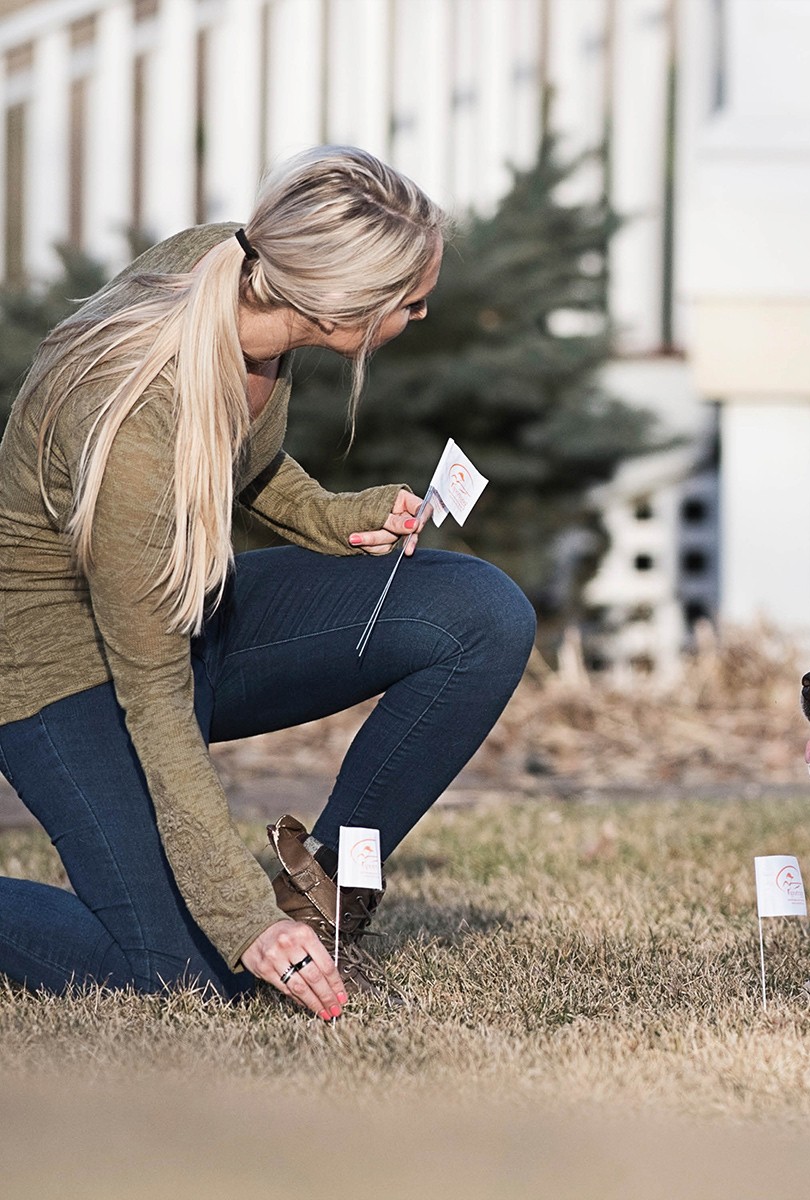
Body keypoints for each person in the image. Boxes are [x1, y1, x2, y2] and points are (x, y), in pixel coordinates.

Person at [0, 146, 536, 1019]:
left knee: (478, 616)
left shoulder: (246, 269)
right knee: (185, 976)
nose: (424, 310)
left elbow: (238, 459)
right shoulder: (139, 413)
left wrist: (331, 516)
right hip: (62, 665)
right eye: (409, 302)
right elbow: (157, 706)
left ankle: (317, 896)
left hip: (185, 607)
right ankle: (259, 925)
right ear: (341, 309)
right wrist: (242, 921)